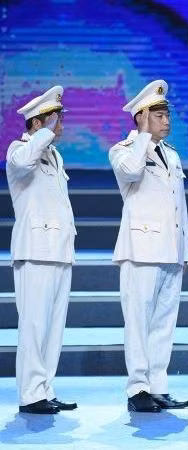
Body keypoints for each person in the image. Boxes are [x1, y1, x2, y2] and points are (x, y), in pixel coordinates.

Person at [109, 80, 188, 413]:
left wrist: (184, 250)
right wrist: (143, 135)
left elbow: (178, 206)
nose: (166, 120)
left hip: (171, 249)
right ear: (142, 117)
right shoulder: (124, 150)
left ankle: (157, 385)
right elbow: (130, 173)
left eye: (166, 113)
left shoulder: (170, 153)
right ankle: (137, 388)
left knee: (163, 323)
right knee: (139, 322)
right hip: (141, 249)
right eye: (158, 114)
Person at [8, 86, 77, 414]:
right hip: (35, 249)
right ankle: (30, 394)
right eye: (55, 119)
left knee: (52, 327)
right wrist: (43, 132)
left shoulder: (53, 154)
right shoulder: (18, 149)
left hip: (59, 250)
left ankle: (44, 388)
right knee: (34, 325)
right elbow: (23, 163)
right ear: (37, 124)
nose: (60, 125)